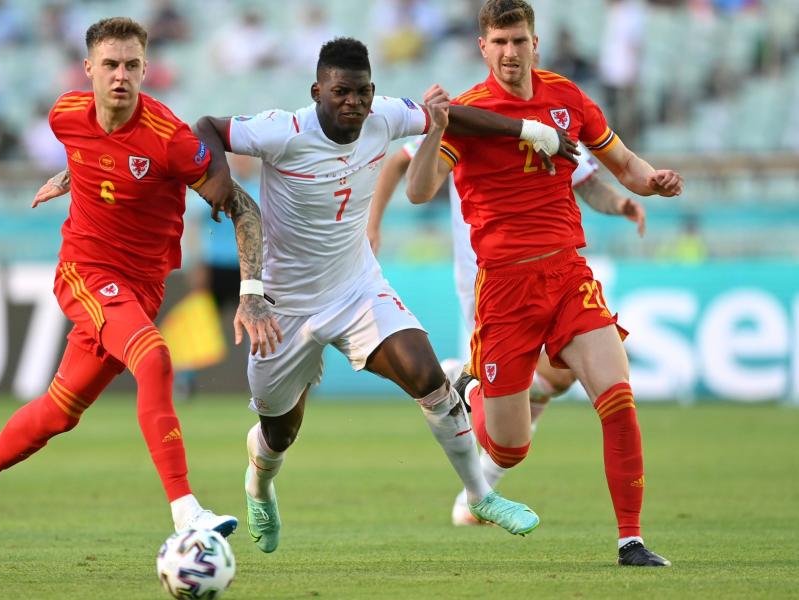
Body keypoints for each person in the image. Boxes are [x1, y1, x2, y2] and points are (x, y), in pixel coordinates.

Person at [192, 37, 576, 553]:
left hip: (355, 288)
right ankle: (259, 485)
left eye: (364, 92)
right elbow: (207, 128)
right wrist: (215, 174)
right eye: (342, 92)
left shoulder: (386, 117)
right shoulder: (281, 131)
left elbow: (456, 116)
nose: (354, 103)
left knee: (428, 376)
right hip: (284, 304)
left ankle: (479, 494)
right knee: (279, 433)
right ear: (318, 91)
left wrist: (532, 130)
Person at [0, 17, 281, 557]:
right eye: (110, 65)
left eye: (131, 65)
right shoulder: (65, 114)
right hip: (86, 271)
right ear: (88, 70)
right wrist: (68, 178)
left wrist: (252, 290)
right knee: (154, 357)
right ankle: (186, 512)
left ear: (146, 70)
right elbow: (90, 152)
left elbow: (242, 206)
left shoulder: (172, 141)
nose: (120, 76)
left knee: (59, 411)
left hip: (141, 286)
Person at [405, 0, 682, 567]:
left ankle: (630, 539)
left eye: (520, 40)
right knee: (510, 446)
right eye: (500, 42)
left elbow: (623, 166)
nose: (510, 52)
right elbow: (419, 189)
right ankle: (473, 390)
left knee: (618, 397)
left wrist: (653, 182)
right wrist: (434, 130)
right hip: (504, 288)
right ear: (483, 47)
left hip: (566, 272)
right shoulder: (468, 112)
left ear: (537, 42)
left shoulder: (568, 100)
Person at [368, 135, 647, 526]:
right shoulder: (474, 118)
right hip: (491, 282)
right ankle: (469, 404)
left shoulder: (554, 117)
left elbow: (585, 180)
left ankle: (479, 479)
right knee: (504, 423)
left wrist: (621, 203)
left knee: (560, 374)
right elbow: (402, 160)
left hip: (552, 275)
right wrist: (373, 223)